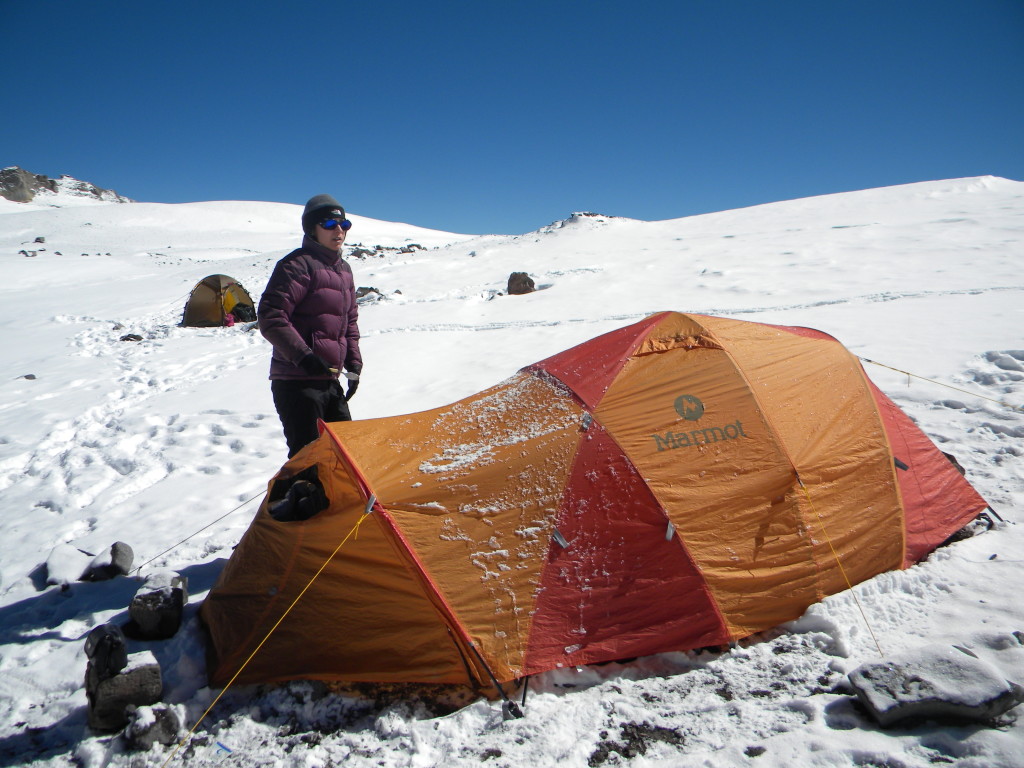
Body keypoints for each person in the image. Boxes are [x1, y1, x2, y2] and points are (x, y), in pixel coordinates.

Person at [258, 194, 362, 457]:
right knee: (309, 460)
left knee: (345, 456)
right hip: (297, 383)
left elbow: (349, 321)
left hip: (329, 380)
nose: (339, 231)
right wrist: (303, 357)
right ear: (312, 228)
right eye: (329, 224)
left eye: (344, 224)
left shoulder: (344, 270)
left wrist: (354, 363)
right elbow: (271, 316)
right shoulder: (296, 265)